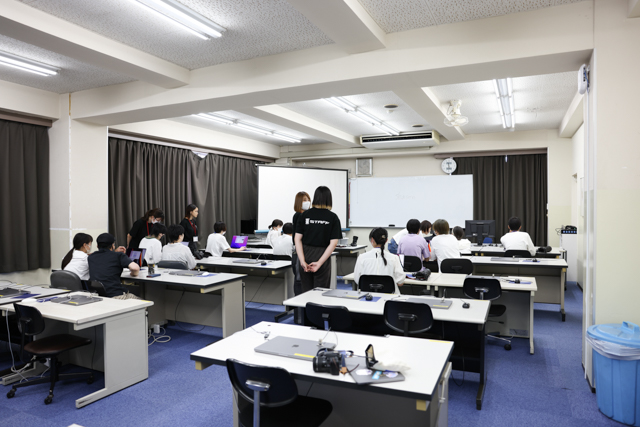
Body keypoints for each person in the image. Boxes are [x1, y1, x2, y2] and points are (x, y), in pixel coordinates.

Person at [294, 186, 342, 293]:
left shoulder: (304, 215)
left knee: (305, 291)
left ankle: (306, 310)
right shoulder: (333, 217)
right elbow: (333, 243)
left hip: (305, 253)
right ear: (329, 199)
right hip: (322, 254)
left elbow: (297, 239)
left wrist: (302, 261)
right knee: (321, 292)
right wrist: (320, 263)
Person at [88, 233, 140, 299]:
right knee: (146, 303)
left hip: (98, 296)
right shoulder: (118, 255)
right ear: (113, 245)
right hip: (115, 296)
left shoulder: (91, 257)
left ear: (97, 246)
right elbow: (135, 268)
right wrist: (133, 274)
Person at [354, 228, 405, 293]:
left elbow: (357, 280)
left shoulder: (362, 257)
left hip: (367, 298)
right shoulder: (394, 258)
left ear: (372, 240)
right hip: (389, 299)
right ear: (386, 240)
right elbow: (400, 283)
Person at [292, 191, 311, 295]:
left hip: (305, 251)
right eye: (304, 200)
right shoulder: (298, 215)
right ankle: (298, 309)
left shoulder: (306, 215)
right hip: (300, 252)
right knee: (299, 281)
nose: (307, 202)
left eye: (308, 199)